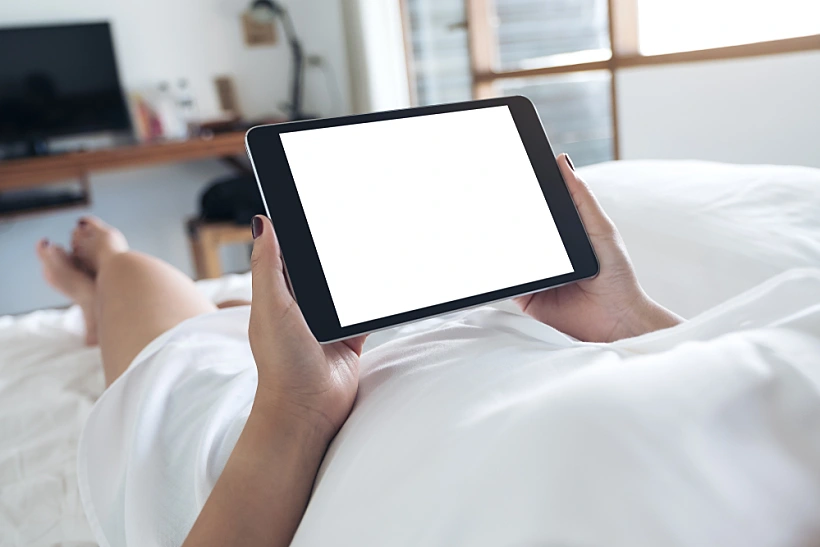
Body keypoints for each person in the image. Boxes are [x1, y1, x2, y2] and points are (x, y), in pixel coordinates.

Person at [37, 155, 682, 547]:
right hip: (361, 361)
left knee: (138, 274)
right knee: (242, 311)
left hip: (252, 428)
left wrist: (296, 405)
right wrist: (626, 319)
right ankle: (120, 300)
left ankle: (99, 286)